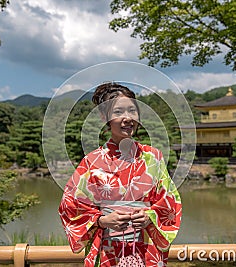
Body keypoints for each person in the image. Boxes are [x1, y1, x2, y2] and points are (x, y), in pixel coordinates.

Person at [58, 82, 182, 266]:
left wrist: (150, 216)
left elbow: (169, 202)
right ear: (104, 117)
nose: (127, 118)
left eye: (132, 111)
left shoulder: (153, 157)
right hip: (106, 248)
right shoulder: (92, 161)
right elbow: (70, 206)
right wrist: (102, 220)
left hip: (146, 246)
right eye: (118, 112)